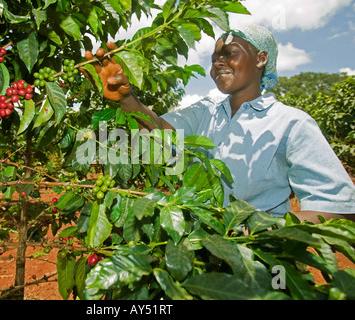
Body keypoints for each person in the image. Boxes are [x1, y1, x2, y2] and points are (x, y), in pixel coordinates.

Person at [81, 24, 355, 224]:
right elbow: (159, 135)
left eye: (229, 53)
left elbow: (340, 209)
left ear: (261, 58)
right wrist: (128, 99)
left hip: (258, 269)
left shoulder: (292, 124)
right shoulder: (204, 112)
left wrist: (265, 230)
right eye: (214, 59)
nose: (218, 63)